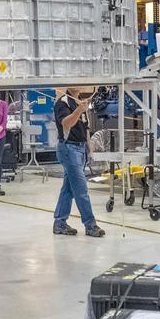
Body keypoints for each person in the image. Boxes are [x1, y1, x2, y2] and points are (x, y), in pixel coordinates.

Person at [52, 86, 106, 237]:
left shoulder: (80, 102)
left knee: (68, 189)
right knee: (81, 189)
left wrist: (90, 149)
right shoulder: (62, 103)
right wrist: (78, 111)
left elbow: (86, 128)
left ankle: (60, 223)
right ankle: (90, 225)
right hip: (69, 149)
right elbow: (66, 124)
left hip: (80, 149)